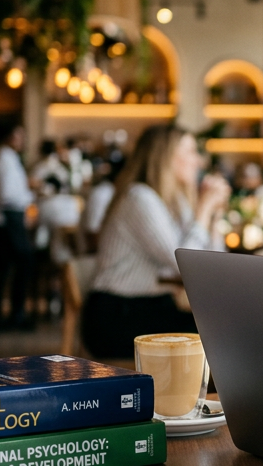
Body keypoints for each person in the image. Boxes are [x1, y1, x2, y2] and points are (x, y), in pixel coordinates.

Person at [83, 126, 230, 359]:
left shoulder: (174, 201)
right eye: (191, 151)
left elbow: (210, 265)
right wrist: (203, 209)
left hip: (151, 308)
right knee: (221, 335)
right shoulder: (139, 197)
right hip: (117, 316)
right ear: (166, 157)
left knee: (224, 330)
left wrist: (214, 216)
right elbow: (185, 263)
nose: (199, 161)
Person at [0, 123, 36, 330]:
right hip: (8, 219)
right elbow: (7, 194)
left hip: (2, 219)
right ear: (10, 136)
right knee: (22, 264)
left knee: (3, 269)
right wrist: (29, 194)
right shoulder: (5, 159)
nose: (22, 139)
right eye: (19, 134)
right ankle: (16, 316)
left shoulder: (0, 158)